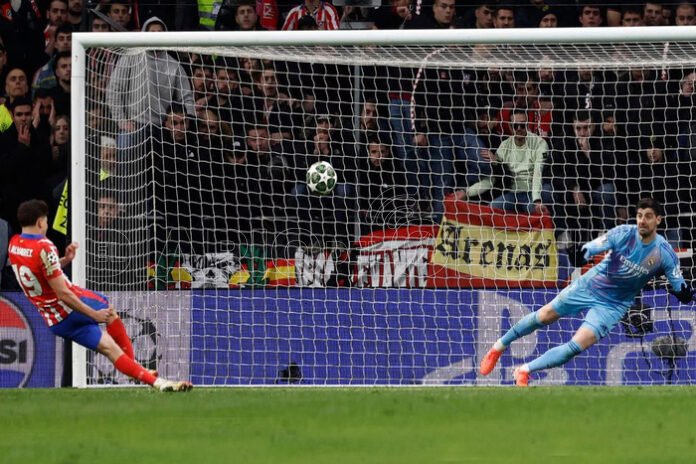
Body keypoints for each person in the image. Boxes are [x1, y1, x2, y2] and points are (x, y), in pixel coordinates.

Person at [479, 198, 694, 387]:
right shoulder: (623, 233)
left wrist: (683, 292)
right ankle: (498, 347)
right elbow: (592, 247)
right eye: (639, 216)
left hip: (613, 305)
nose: (642, 221)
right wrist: (582, 254)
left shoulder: (664, 253)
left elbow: (680, 286)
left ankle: (524, 370)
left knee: (574, 347)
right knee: (544, 316)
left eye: (648, 216)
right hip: (590, 286)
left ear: (658, 220)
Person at [8, 199, 192, 392]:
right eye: (46, 221)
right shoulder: (44, 246)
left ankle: (157, 382)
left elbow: (39, 272)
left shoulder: (14, 244)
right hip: (68, 307)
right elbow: (63, 293)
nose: (46, 225)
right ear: (40, 222)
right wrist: (93, 314)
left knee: (109, 348)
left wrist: (65, 260)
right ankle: (137, 367)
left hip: (55, 320)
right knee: (107, 309)